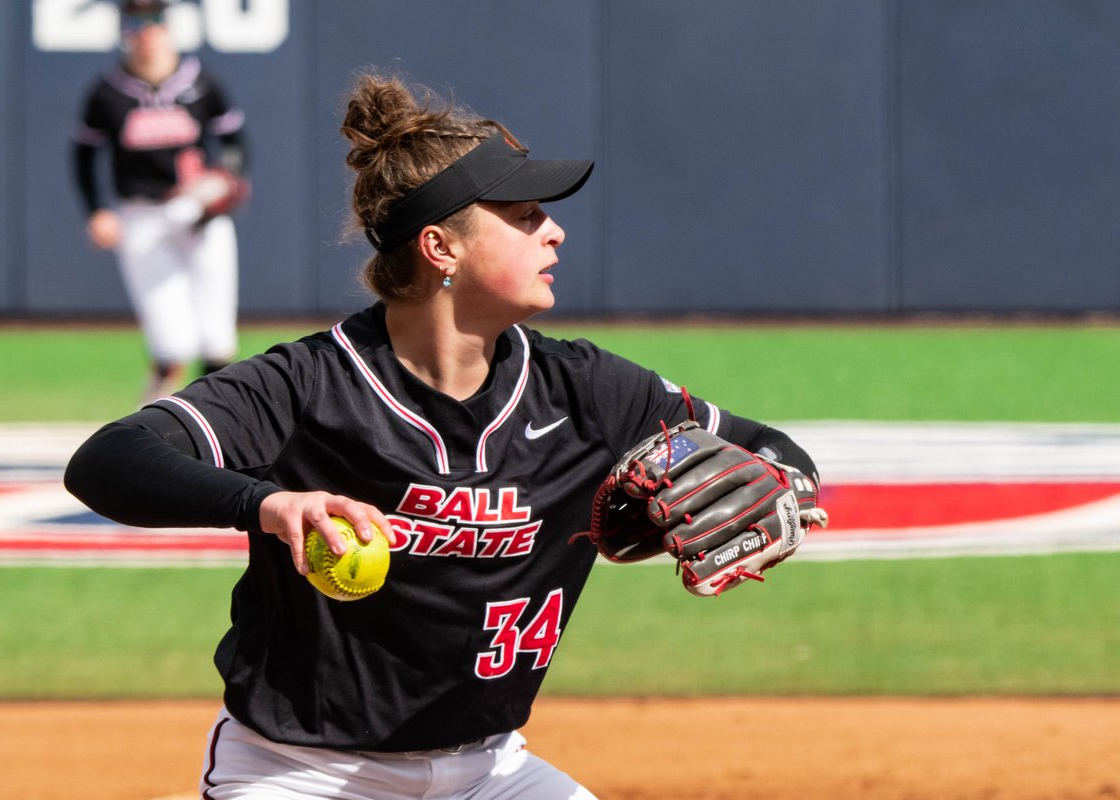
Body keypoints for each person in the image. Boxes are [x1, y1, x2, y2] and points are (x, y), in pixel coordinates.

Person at [65, 72, 821, 799]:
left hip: (493, 774)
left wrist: (780, 496)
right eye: (525, 216)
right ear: (441, 249)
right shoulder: (310, 383)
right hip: (300, 771)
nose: (554, 231)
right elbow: (107, 461)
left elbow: (777, 454)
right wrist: (267, 505)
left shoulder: (587, 390)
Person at [72, 0, 248, 404]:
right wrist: (96, 209)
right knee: (171, 344)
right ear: (124, 31)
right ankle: (147, 432)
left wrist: (223, 179)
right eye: (136, 23)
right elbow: (83, 155)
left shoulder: (200, 82)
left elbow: (234, 143)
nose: (147, 33)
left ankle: (221, 430)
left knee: (217, 337)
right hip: (141, 214)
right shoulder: (107, 93)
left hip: (196, 211)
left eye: (155, 22)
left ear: (169, 27)